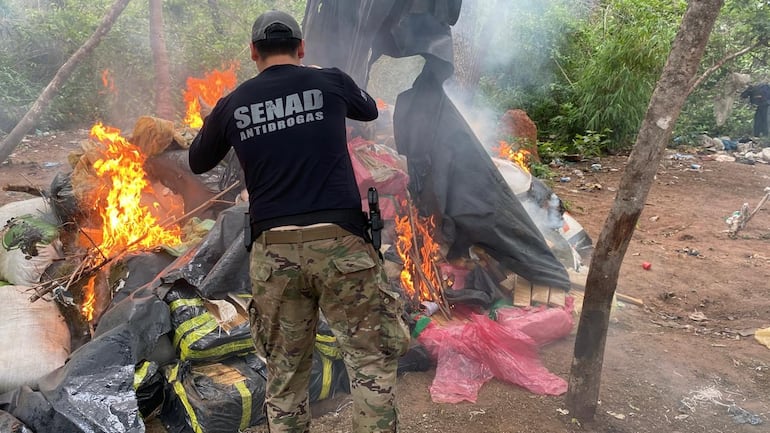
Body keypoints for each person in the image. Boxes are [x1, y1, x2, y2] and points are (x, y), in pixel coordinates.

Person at [188, 10, 410, 433]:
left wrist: (228, 117)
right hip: (342, 246)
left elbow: (199, 160)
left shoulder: (234, 102)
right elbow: (369, 111)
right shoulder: (329, 80)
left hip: (275, 253)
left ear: (253, 51)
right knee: (369, 364)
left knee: (286, 376)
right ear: (301, 48)